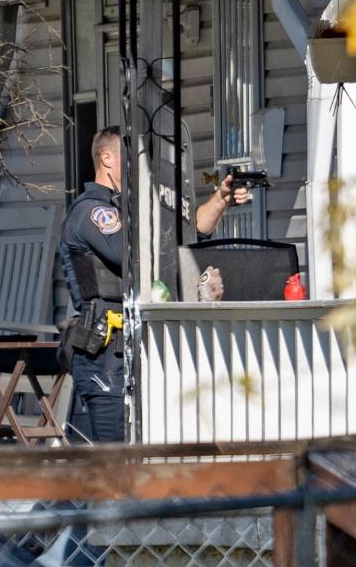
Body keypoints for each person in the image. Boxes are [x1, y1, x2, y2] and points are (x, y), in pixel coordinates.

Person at [60, 126, 249, 444]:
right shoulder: (92, 211)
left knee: (145, 465)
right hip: (105, 356)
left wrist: (221, 199)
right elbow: (133, 253)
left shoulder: (128, 211)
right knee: (115, 466)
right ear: (107, 158)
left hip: (138, 352)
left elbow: (186, 234)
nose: (140, 168)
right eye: (131, 159)